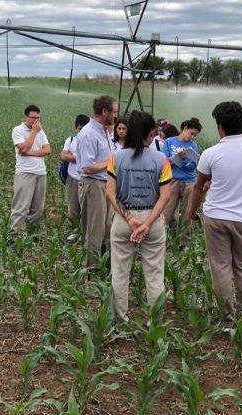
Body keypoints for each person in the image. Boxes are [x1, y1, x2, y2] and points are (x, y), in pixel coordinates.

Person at [187, 101, 242, 332]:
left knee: (220, 266)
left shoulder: (211, 154)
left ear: (220, 127)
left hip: (216, 216)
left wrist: (191, 213)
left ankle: (228, 320)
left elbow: (199, 187)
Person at [106, 111, 172, 322]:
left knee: (119, 271)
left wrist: (130, 218)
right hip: (151, 219)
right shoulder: (162, 159)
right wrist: (146, 224)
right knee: (154, 273)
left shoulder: (115, 158)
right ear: (150, 132)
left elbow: (110, 192)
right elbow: (165, 197)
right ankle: (155, 320)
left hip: (124, 220)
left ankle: (120, 318)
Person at [76, 95, 118, 270]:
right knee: (94, 230)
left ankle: (105, 264)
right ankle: (91, 269)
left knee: (108, 228)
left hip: (105, 184)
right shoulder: (88, 134)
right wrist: (113, 163)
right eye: (114, 112)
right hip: (94, 185)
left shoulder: (104, 131)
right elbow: (87, 167)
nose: (116, 115)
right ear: (104, 112)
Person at [10, 104, 51, 234]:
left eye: (38, 117)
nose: (36, 120)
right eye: (33, 117)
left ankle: (33, 237)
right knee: (21, 207)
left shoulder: (41, 131)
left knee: (38, 208)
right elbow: (23, 149)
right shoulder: (18, 130)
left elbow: (48, 150)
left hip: (41, 172)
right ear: (25, 117)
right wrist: (33, 132)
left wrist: (31, 152)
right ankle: (13, 234)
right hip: (25, 172)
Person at [162, 117, 202, 229]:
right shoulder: (169, 142)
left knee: (187, 215)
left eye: (195, 135)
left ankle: (184, 243)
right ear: (185, 128)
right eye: (192, 133)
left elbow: (192, 166)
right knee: (167, 213)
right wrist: (177, 157)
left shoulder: (193, 146)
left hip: (189, 181)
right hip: (172, 180)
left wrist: (184, 159)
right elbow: (163, 162)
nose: (192, 137)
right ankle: (167, 239)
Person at [61, 114, 90, 241]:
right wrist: (82, 158)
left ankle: (86, 233)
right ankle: (75, 231)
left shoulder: (91, 141)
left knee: (87, 208)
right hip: (72, 178)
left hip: (87, 179)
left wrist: (74, 157)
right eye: (79, 128)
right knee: (73, 207)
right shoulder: (71, 140)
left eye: (84, 128)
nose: (81, 131)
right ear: (75, 128)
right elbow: (64, 156)